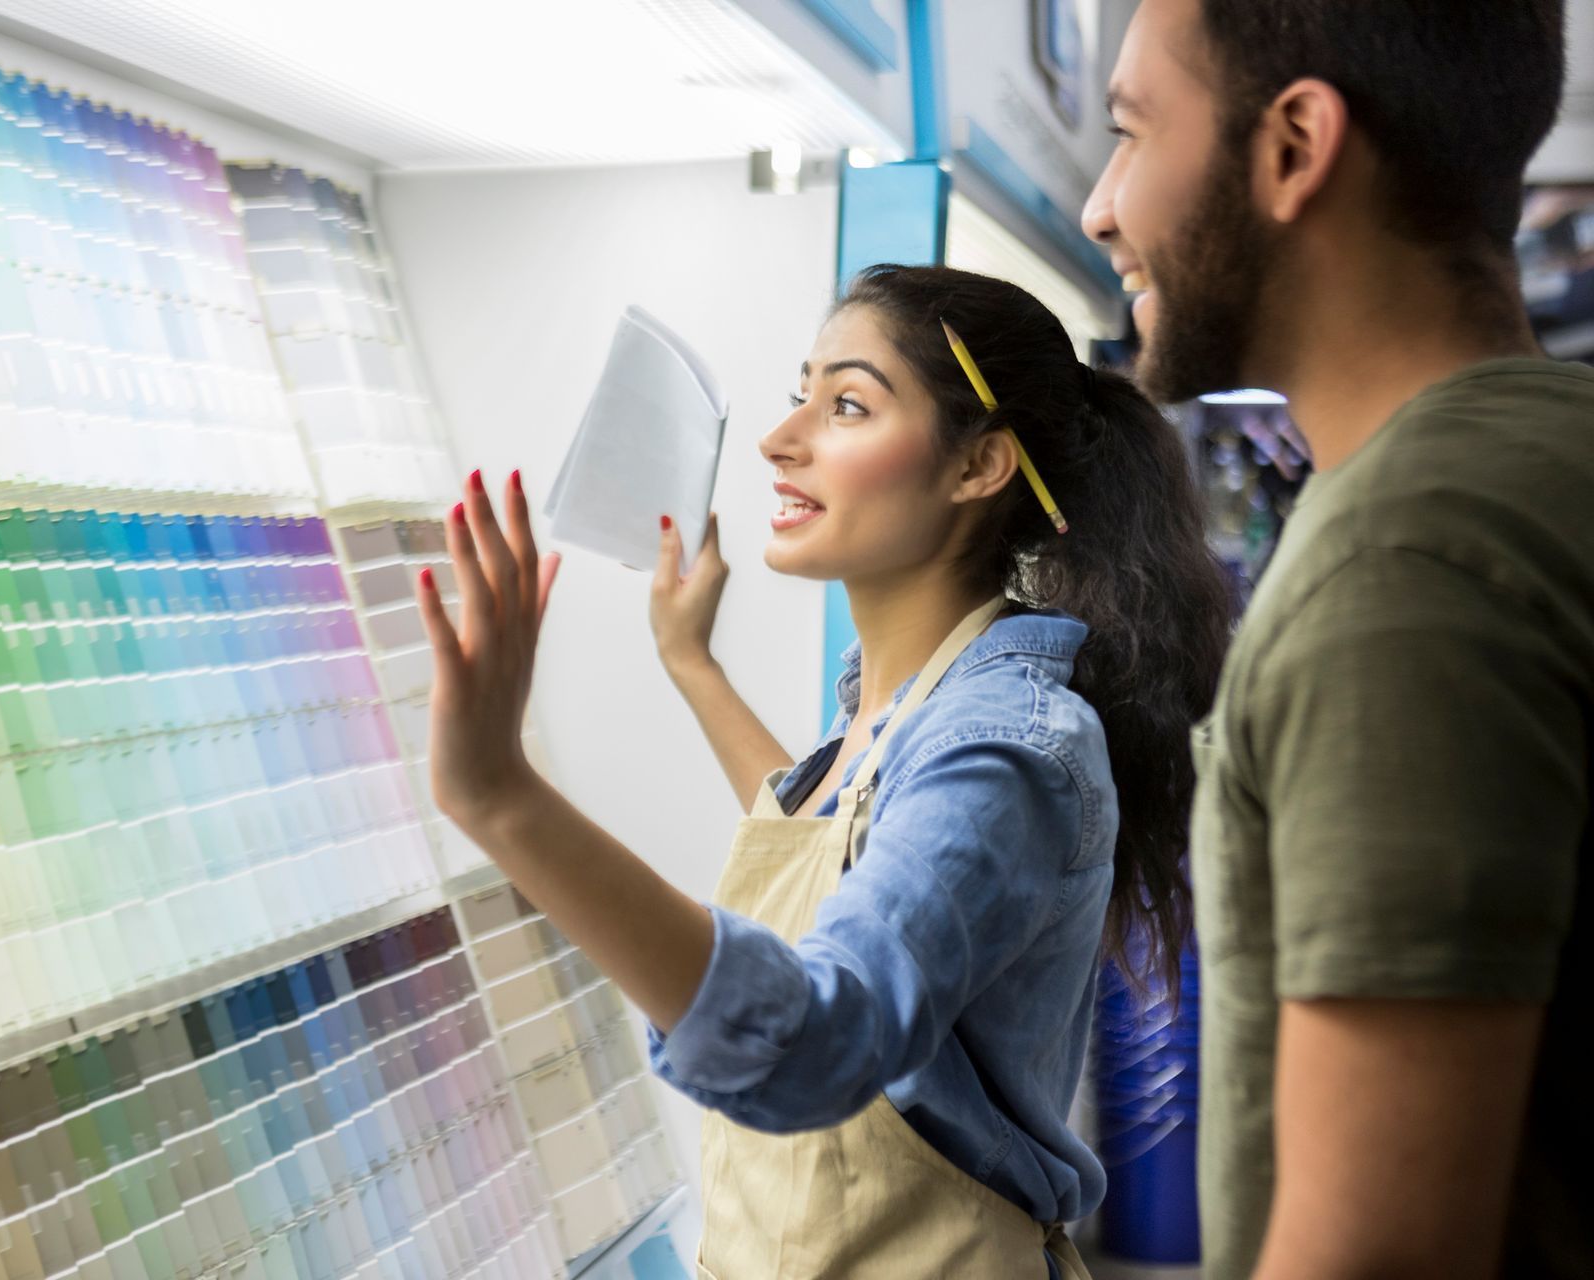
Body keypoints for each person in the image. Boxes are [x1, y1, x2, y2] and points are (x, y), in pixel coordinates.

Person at [415, 264, 1233, 1277]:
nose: (778, 439)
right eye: (799, 392)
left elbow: (813, 1042)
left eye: (846, 403)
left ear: (979, 465)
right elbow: (844, 848)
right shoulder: (904, 709)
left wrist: (503, 798)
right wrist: (692, 664)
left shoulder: (1008, 748)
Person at [1080, 1, 1593, 1276]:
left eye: (1133, 133)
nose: (1100, 207)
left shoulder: (1399, 568)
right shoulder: (1547, 459)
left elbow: (1384, 1252)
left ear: (1295, 145)